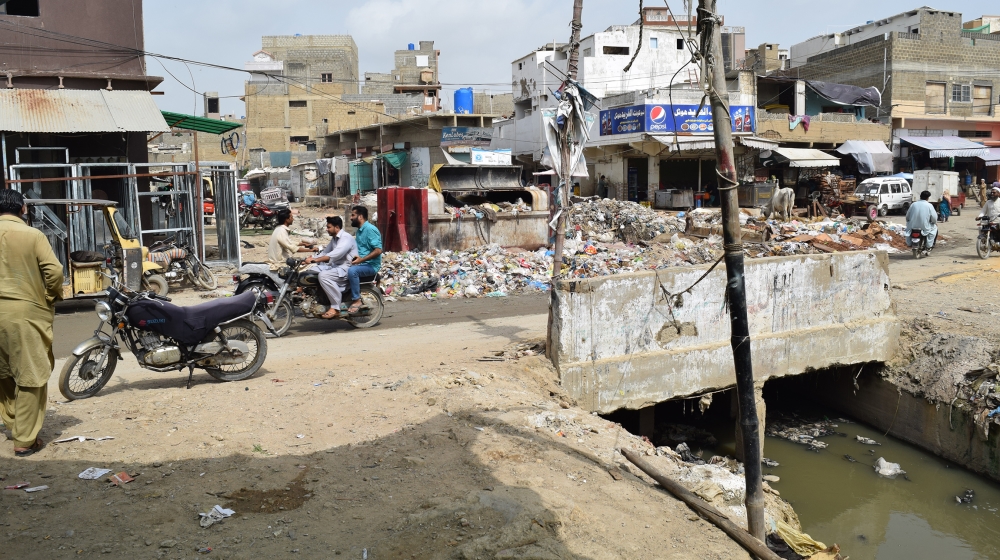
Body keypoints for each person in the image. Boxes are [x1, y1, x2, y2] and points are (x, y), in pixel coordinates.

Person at [0, 189, 63, 457]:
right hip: (23, 313)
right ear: (22, 209)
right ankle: (24, 440)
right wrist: (49, 296)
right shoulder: (32, 235)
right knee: (31, 375)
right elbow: (54, 271)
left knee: (3, 373)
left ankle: (14, 422)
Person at [304, 216, 357, 320]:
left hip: (345, 268)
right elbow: (325, 252)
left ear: (336, 227)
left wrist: (316, 260)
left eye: (329, 227)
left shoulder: (346, 238)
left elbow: (335, 254)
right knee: (311, 271)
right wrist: (310, 258)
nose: (326, 229)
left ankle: (335, 307)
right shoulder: (334, 239)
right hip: (335, 267)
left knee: (323, 276)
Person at [346, 205, 382, 314]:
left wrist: (361, 260)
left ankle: (356, 300)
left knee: (353, 271)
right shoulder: (359, 231)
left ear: (360, 216)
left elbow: (378, 250)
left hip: (370, 265)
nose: (351, 218)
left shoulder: (370, 229)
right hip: (361, 264)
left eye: (353, 215)